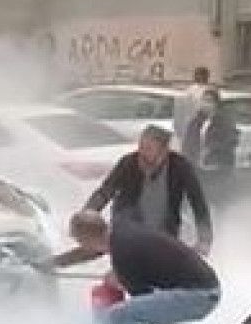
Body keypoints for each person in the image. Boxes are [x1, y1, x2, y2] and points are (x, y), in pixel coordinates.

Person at [48, 210, 220, 324]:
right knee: (150, 311)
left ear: (88, 238)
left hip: (200, 296)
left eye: (81, 242)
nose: (82, 247)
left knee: (119, 315)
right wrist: (53, 263)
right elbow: (91, 253)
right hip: (206, 288)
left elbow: (153, 313)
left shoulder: (122, 252)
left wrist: (121, 280)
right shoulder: (121, 233)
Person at [83, 124, 214, 253]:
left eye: (148, 148)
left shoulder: (180, 167)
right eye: (140, 146)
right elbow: (105, 191)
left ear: (164, 151)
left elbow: (198, 202)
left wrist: (204, 239)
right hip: (128, 233)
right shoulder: (128, 163)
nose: (142, 153)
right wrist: (86, 215)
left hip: (164, 236)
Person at [183, 87, 239, 205]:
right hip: (199, 168)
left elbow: (231, 140)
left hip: (218, 167)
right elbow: (188, 141)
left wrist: (212, 149)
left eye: (209, 101)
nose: (205, 104)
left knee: (218, 199)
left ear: (216, 104)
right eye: (204, 100)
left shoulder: (225, 121)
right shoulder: (196, 121)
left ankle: (221, 220)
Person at [175, 67, 211, 144]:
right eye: (197, 75)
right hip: (193, 125)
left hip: (194, 125)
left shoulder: (208, 90)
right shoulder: (191, 90)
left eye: (201, 75)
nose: (199, 77)